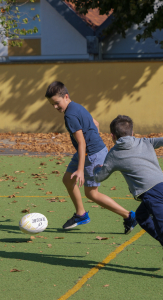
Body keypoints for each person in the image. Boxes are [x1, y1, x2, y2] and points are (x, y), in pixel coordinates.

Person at [94, 115, 163, 284]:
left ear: (112, 135)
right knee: (141, 216)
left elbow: (99, 178)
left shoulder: (114, 154)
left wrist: (95, 170)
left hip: (151, 193)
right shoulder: (144, 142)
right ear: (132, 131)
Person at [45, 81, 137, 234]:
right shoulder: (76, 106)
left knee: (91, 193)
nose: (55, 107)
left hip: (91, 154)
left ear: (65, 96)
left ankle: (128, 216)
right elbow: (95, 123)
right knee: (67, 179)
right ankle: (80, 214)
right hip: (89, 151)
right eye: (52, 104)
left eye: (56, 103)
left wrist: (81, 169)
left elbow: (81, 142)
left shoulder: (70, 115)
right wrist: (94, 139)